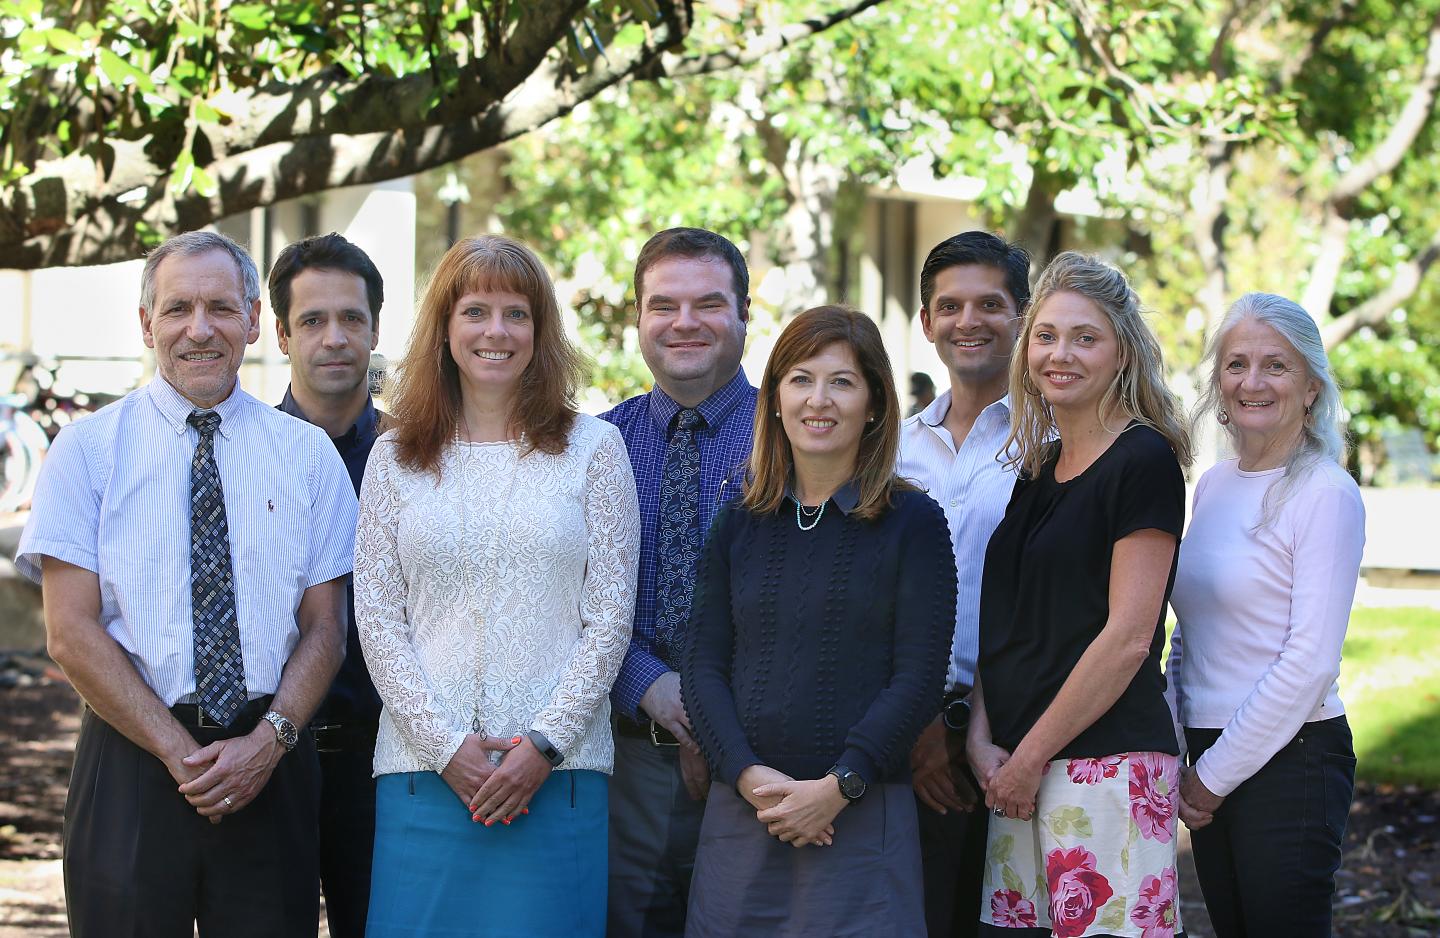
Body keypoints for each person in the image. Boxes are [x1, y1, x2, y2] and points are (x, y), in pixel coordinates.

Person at [15, 231, 355, 937]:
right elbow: (69, 632)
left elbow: (327, 626)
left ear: (255, 320)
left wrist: (269, 740)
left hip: (271, 758)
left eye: (221, 308)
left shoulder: (307, 456)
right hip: (131, 758)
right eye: (177, 309)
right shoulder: (85, 452)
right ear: (147, 324)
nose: (199, 329)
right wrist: (179, 752)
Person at [354, 235, 640, 937]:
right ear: (445, 329)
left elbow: (609, 618)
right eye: (475, 311)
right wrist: (446, 747)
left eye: (516, 313)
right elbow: (376, 619)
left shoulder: (595, 450)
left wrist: (542, 746)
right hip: (424, 777)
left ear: (540, 332)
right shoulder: (394, 455)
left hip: (558, 777)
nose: (495, 331)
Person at [682, 305, 957, 937]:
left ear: (875, 403)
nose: (819, 399)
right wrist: (748, 775)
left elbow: (917, 678)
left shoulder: (914, 524)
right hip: (745, 813)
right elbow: (702, 667)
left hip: (859, 817)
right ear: (775, 397)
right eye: (801, 378)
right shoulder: (738, 523)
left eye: (842, 381)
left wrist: (840, 785)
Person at [968, 252, 1192, 937]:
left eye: (1084, 338)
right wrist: (982, 738)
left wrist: (1027, 759)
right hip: (1017, 770)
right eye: (1046, 336)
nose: (1060, 354)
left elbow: (1128, 639)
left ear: (1120, 350)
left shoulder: (1143, 461)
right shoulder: (1036, 469)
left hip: (1106, 767)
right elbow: (1005, 621)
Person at [1168, 292, 1365, 937]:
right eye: (1236, 364)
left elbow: (1309, 661)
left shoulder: (1326, 493)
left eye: (1275, 366)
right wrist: (1179, 747)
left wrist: (1213, 778)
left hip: (1292, 760)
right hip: (1207, 752)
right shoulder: (1215, 485)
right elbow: (1189, 635)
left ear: (1311, 388)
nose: (1252, 382)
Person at [602, 227, 757, 937]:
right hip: (628, 761)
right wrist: (649, 685)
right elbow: (573, 596)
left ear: (745, 314)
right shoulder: (595, 446)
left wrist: (712, 711)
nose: (685, 322)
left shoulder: (793, 433)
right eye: (663, 304)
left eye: (709, 303)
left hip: (761, 760)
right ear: (638, 318)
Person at [897, 231, 1030, 938]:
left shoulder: (1054, 442)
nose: (968, 321)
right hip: (905, 730)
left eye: (990, 304)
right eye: (949, 306)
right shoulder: (893, 446)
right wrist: (918, 730)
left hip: (1020, 732)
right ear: (926, 323)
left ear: (1023, 314)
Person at [269, 232, 388, 938]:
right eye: (312, 320)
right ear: (281, 333)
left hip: (387, 766)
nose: (334, 338)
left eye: (352, 319)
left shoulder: (419, 458)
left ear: (376, 327)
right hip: (270, 756)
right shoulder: (244, 454)